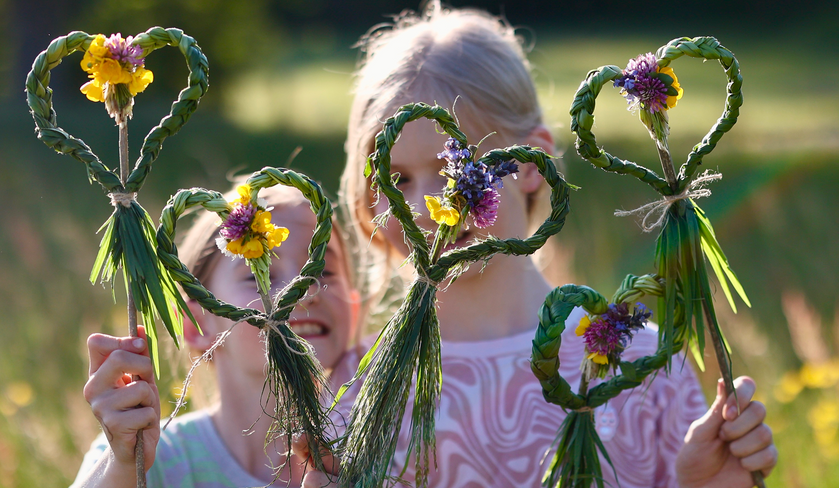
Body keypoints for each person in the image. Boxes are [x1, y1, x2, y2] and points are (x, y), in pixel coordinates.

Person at [303, 4, 778, 488]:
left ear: (532, 163)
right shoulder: (355, 393)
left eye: (453, 169)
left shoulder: (642, 363)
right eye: (397, 177)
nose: (424, 207)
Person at [71, 184, 360, 487]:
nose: (303, 291)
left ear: (354, 309)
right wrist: (123, 464)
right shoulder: (149, 457)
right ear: (198, 325)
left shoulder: (387, 449)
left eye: (322, 270)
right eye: (257, 275)